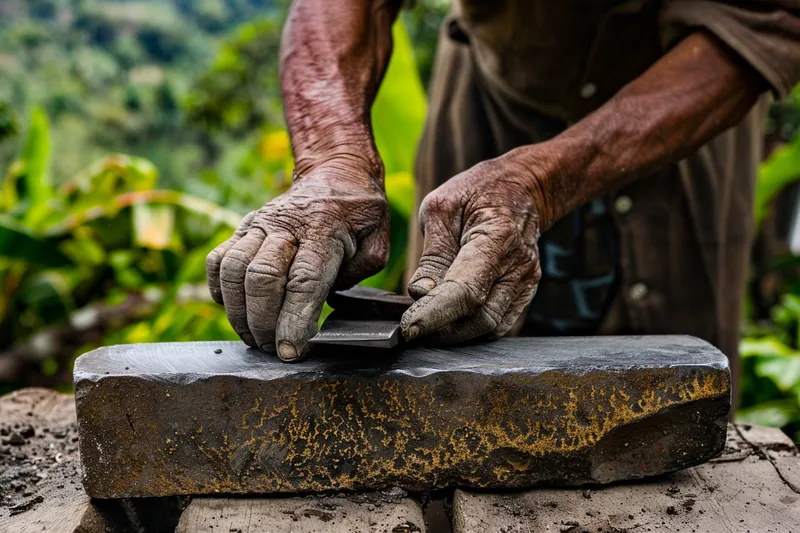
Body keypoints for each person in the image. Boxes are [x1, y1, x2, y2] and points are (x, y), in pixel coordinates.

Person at [206, 0, 800, 389]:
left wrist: (542, 180)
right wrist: (331, 158)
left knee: (664, 398)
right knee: (446, 356)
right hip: (491, 96)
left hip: (677, 117)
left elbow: (769, 20)